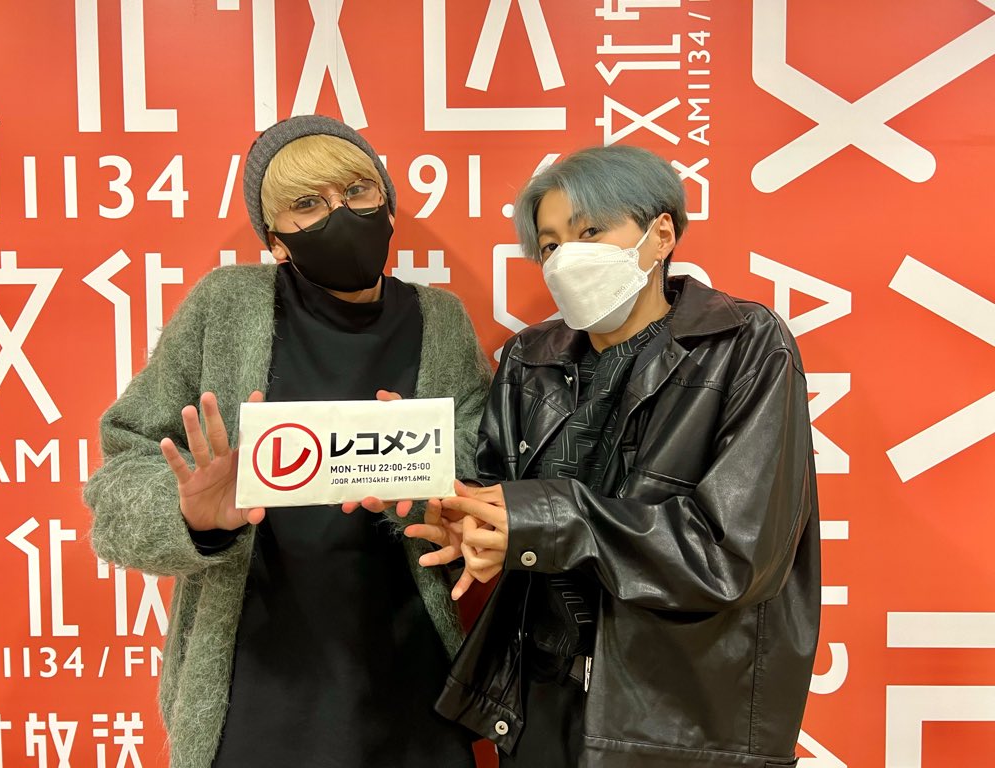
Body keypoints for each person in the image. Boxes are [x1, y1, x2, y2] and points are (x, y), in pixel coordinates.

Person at [83, 115, 491, 768]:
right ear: (275, 240)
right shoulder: (225, 306)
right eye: (307, 203)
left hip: (407, 671)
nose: (340, 213)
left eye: (356, 191)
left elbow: (483, 462)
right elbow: (124, 462)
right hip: (257, 679)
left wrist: (436, 490)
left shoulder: (440, 320)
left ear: (386, 204)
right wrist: (190, 516)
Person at [405, 145, 821, 767]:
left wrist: (544, 520)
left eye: (590, 232)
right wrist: (466, 520)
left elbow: (734, 553)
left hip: (674, 720)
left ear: (661, 235)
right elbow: (498, 495)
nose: (566, 257)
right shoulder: (529, 359)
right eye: (550, 245)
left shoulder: (744, 344)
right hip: (538, 701)